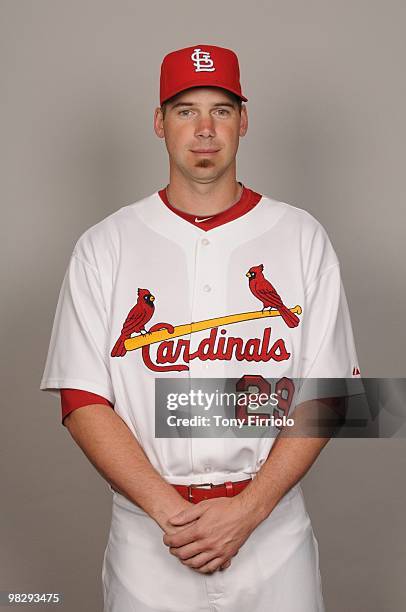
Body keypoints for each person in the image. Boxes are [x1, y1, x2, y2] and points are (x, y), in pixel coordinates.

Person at [40, 44, 362, 611]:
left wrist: (248, 511)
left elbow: (330, 394)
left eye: (221, 109)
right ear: (159, 123)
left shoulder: (301, 236)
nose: (205, 128)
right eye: (186, 110)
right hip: (150, 538)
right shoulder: (105, 244)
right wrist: (174, 516)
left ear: (244, 120)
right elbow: (82, 396)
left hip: (271, 536)